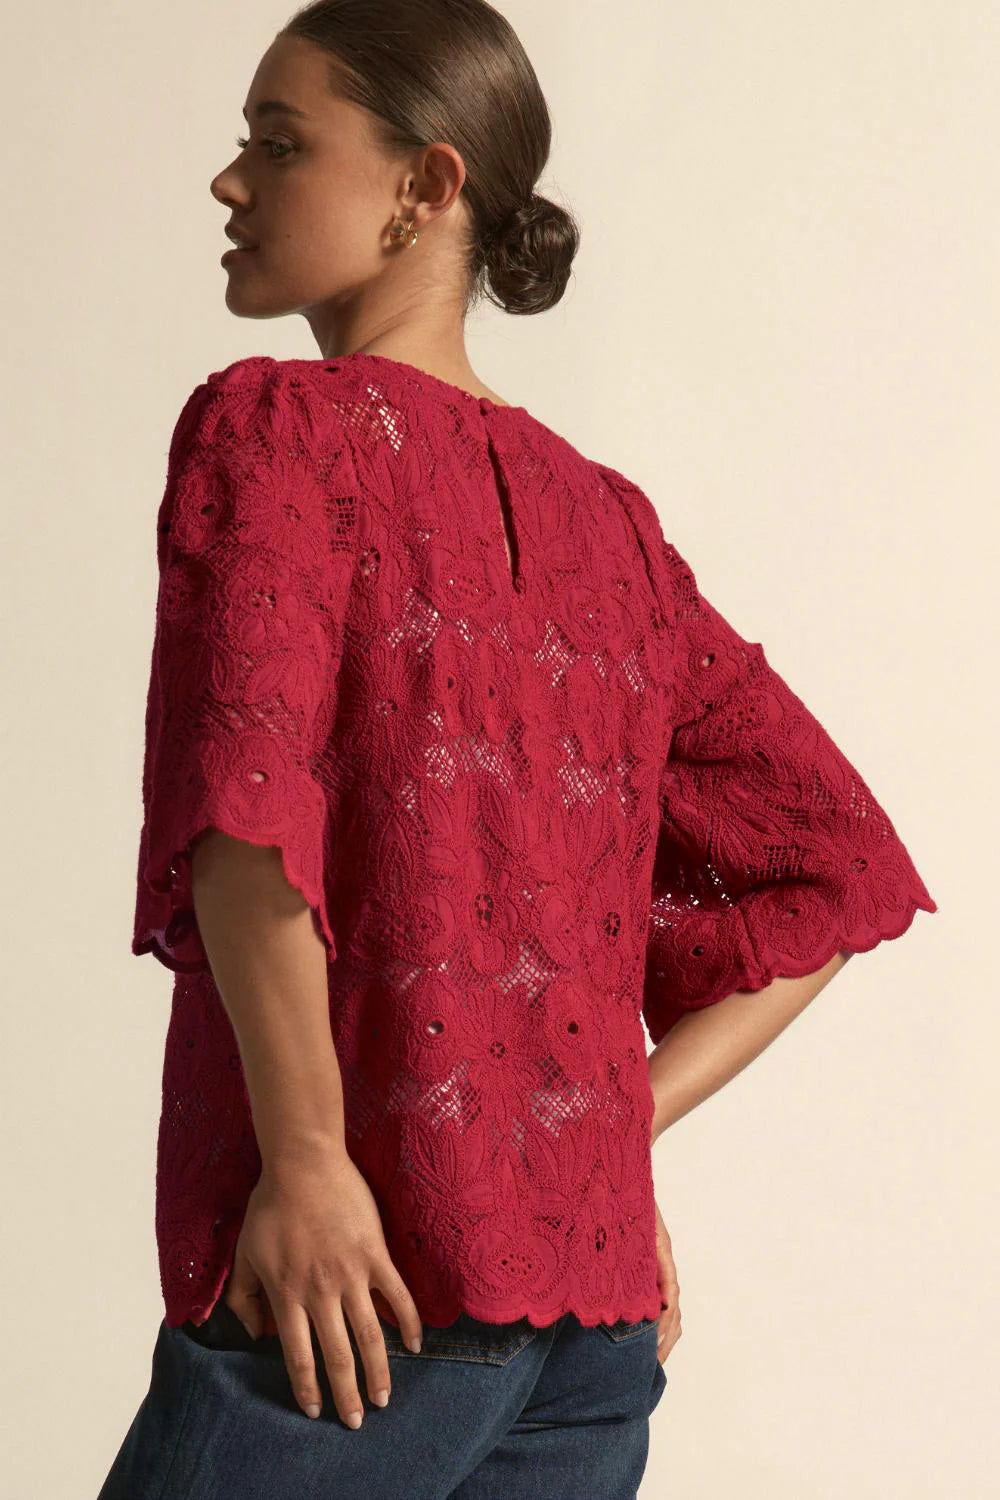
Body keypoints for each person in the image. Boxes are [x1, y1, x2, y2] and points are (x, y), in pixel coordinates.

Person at [97, 3, 937, 1497]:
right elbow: (836, 863)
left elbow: (246, 811)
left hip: (360, 1296)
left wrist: (306, 1158)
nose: (230, 184)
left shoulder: (279, 432)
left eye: (278, 146)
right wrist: (598, 1140)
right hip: (588, 1329)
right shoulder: (607, 524)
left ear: (427, 187)